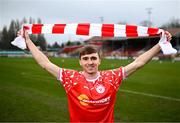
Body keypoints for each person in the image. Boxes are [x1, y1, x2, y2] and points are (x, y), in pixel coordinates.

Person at [17, 30, 172, 122]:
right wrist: (28, 40)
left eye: (93, 58)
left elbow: (138, 63)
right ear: (80, 62)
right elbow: (44, 63)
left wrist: (160, 44)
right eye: (85, 59)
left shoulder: (112, 76)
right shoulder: (70, 78)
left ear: (99, 60)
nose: (90, 62)